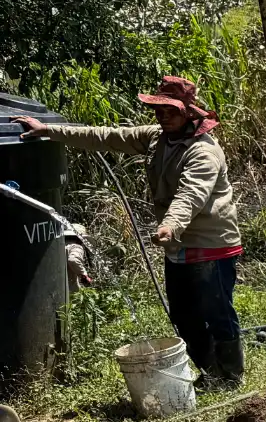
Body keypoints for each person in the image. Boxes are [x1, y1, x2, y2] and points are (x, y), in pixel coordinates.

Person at [19, 76, 244, 388]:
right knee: (182, 315)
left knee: (216, 311)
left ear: (189, 112)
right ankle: (211, 372)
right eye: (159, 110)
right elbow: (106, 136)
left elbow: (192, 194)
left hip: (210, 244)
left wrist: (169, 224)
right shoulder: (156, 137)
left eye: (171, 110)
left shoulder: (203, 152)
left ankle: (231, 377)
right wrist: (49, 130)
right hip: (176, 244)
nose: (163, 116)